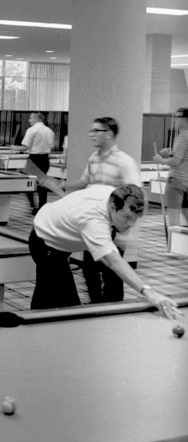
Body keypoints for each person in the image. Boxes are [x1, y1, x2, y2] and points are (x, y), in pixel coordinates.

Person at [30, 184, 181, 320]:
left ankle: (31, 323)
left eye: (135, 218)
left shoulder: (113, 194)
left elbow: (90, 186)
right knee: (68, 308)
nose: (131, 224)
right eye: (127, 217)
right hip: (45, 244)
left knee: (47, 294)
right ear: (113, 206)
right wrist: (149, 292)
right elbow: (113, 261)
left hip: (54, 234)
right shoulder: (94, 221)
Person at [65, 117, 142, 303]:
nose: (91, 134)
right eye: (91, 130)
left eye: (96, 130)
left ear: (108, 133)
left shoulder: (124, 162)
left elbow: (136, 195)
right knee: (89, 270)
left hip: (114, 229)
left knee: (112, 275)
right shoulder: (94, 158)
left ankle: (112, 313)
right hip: (94, 224)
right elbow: (85, 183)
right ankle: (97, 308)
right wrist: (65, 186)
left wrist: (125, 228)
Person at [154, 107, 188, 229]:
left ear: (186, 119)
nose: (175, 120)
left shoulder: (182, 137)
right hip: (186, 181)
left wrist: (160, 160)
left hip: (177, 179)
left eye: (178, 117)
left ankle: (173, 245)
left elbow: (176, 161)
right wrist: (170, 151)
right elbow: (182, 155)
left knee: (173, 214)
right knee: (186, 214)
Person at [16, 112, 55, 214]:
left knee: (27, 182)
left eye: (30, 118)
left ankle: (33, 206)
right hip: (45, 159)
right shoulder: (50, 131)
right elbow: (51, 146)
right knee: (42, 184)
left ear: (36, 119)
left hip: (34, 158)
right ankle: (42, 208)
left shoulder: (32, 130)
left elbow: (25, 147)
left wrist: (14, 148)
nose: (29, 120)